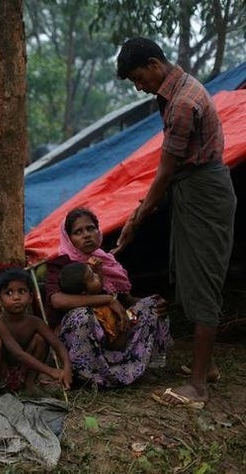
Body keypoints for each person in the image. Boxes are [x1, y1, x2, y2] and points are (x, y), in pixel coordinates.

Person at [114, 38, 235, 408]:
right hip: (191, 189)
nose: (139, 86)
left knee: (202, 282)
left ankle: (198, 388)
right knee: (187, 272)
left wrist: (138, 216)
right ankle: (207, 366)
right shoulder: (174, 91)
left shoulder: (183, 102)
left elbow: (165, 171)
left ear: (154, 63)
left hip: (203, 192)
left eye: (138, 77)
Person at [44, 207, 171, 388]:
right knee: (82, 315)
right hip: (80, 335)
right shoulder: (61, 263)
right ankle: (86, 376)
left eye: (90, 229)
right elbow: (58, 300)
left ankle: (135, 368)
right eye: (78, 232)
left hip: (111, 329)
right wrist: (107, 300)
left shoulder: (107, 261)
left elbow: (125, 300)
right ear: (68, 238)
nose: (86, 235)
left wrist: (151, 303)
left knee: (150, 305)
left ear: (99, 231)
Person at [0, 269, 72, 403]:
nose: (16, 297)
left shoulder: (36, 322)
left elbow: (57, 344)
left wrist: (67, 367)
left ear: (30, 297)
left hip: (23, 370)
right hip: (0, 370)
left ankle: (29, 384)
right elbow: (17, 353)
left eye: (21, 292)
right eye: (8, 293)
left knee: (40, 340)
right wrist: (51, 371)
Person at [59, 262, 131, 351]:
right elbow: (117, 344)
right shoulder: (99, 311)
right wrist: (125, 331)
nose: (97, 276)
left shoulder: (101, 300)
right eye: (92, 277)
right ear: (84, 293)